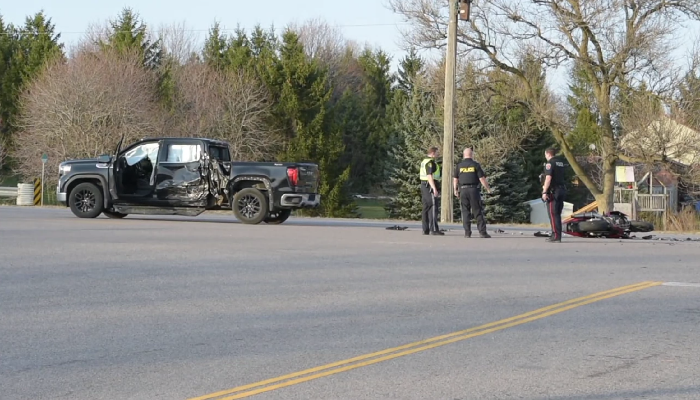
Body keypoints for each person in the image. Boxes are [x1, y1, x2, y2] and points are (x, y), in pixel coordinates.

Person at [452, 147, 491, 238]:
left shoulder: (459, 166)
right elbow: (482, 179)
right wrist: (488, 188)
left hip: (463, 190)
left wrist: (455, 190)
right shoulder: (475, 165)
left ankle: (467, 233)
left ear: (463, 155)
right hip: (473, 190)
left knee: (465, 211)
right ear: (472, 155)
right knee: (477, 211)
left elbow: (455, 179)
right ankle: (482, 232)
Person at [541, 147, 567, 242]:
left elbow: (548, 178)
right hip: (562, 189)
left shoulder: (550, 163)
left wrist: (544, 191)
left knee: (553, 214)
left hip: (553, 191)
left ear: (548, 154)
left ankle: (555, 236)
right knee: (557, 214)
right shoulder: (560, 162)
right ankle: (557, 235)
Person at [420, 146, 443, 235]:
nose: (438, 154)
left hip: (424, 185)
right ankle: (434, 229)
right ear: (433, 153)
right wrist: (434, 188)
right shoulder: (430, 162)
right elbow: (429, 176)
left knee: (426, 207)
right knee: (433, 206)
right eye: (437, 153)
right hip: (429, 186)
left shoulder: (424, 161)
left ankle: (425, 229)